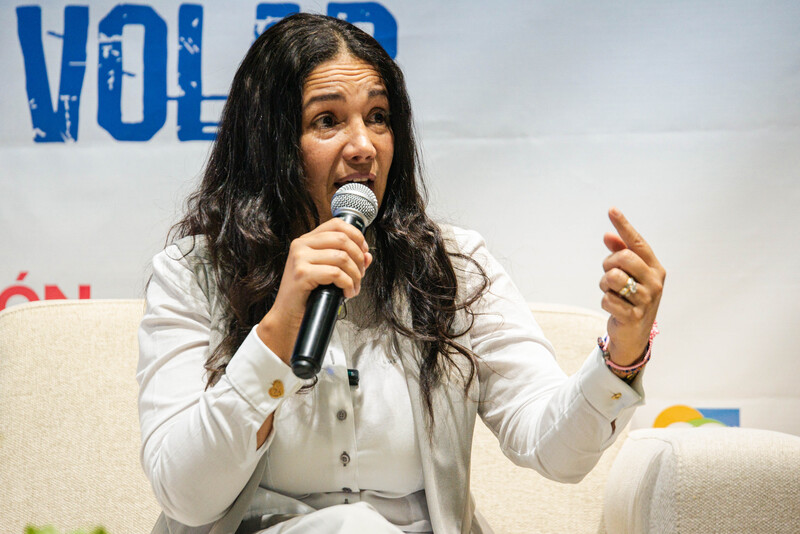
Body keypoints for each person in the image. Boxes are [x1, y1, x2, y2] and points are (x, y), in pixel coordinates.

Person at [137, 13, 665, 534]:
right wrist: (276, 333)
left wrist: (622, 353)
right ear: (269, 144)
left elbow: (555, 449)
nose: (364, 145)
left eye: (379, 117)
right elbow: (186, 497)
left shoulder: (450, 266)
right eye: (328, 121)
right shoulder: (195, 275)